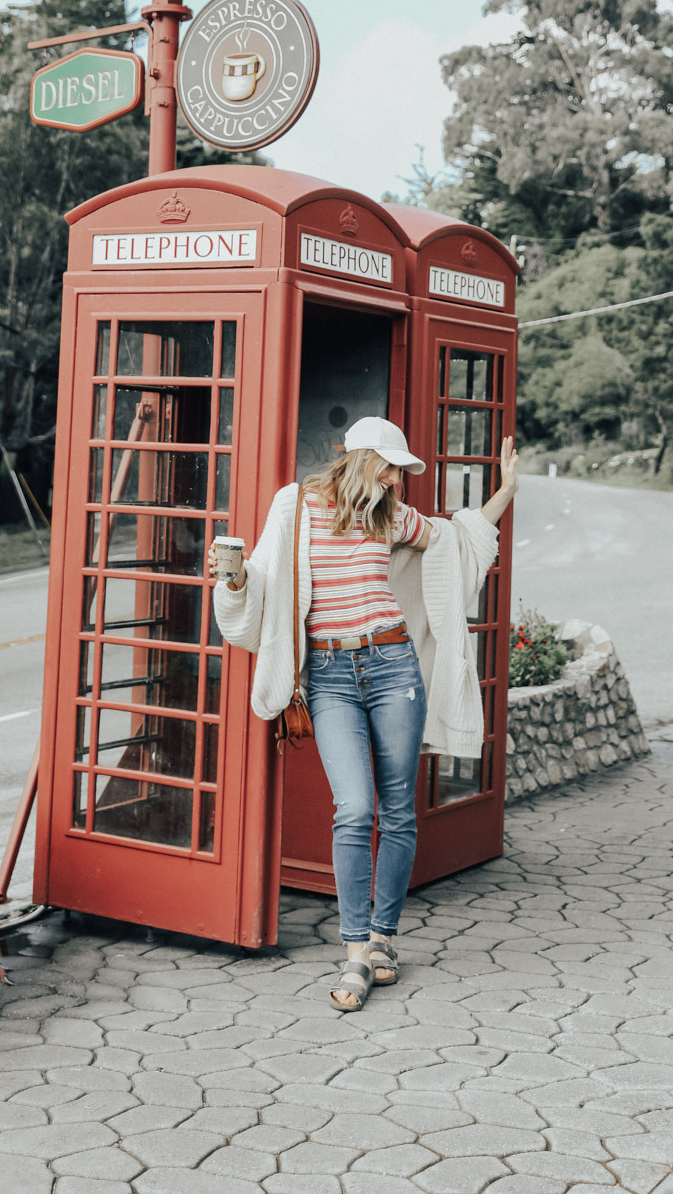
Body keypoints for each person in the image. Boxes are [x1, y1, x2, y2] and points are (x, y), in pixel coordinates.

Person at [211, 415, 519, 1011]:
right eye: (393, 469)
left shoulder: (392, 517)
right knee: (355, 808)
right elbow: (268, 578)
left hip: (393, 666)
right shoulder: (296, 506)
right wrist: (234, 581)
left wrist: (505, 492)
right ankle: (355, 951)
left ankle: (381, 941)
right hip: (329, 676)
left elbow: (454, 543)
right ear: (366, 462)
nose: (400, 481)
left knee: (398, 811)